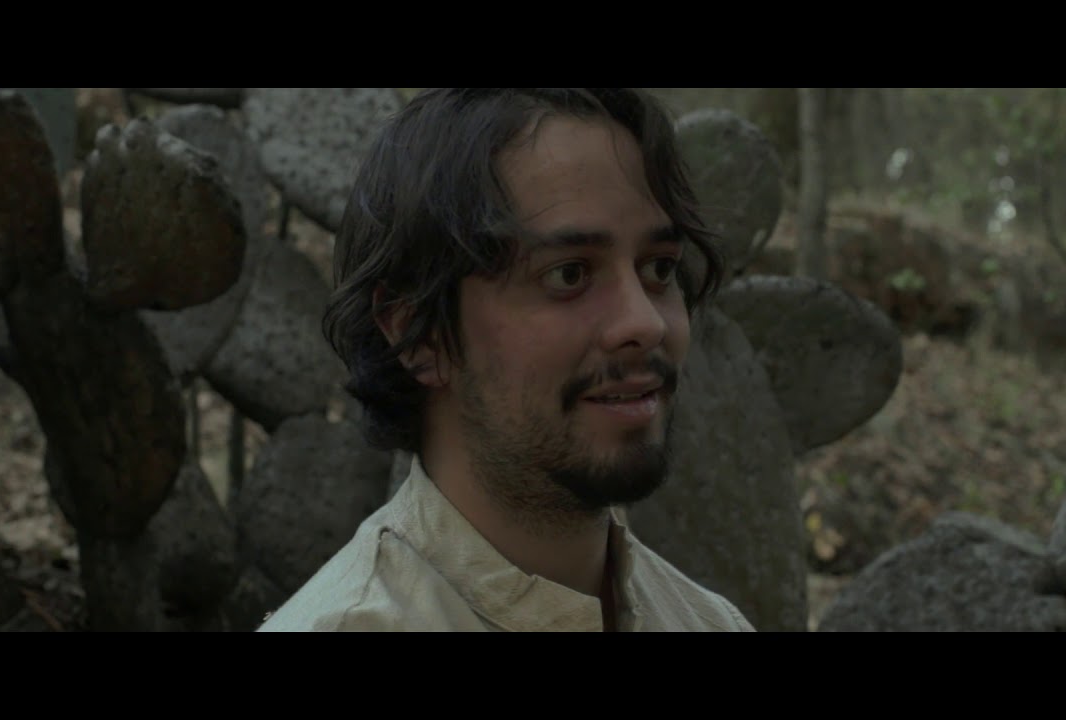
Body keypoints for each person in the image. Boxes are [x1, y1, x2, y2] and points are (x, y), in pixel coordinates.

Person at [258, 88, 753, 632]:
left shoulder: (710, 623)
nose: (646, 322)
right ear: (417, 333)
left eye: (659, 269)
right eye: (569, 274)